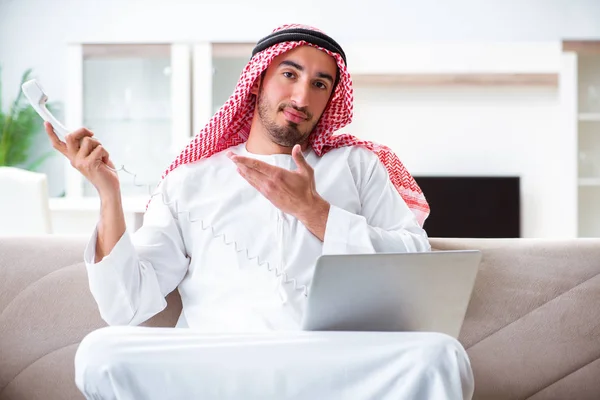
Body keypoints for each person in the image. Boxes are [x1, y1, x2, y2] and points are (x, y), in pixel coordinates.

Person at [46, 24, 474, 399]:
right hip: (220, 359)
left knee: (441, 356)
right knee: (100, 352)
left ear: (331, 99)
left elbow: (413, 259)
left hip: (330, 360)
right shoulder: (190, 180)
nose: (302, 95)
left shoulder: (357, 166)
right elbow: (125, 305)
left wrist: (317, 214)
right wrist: (108, 194)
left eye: (321, 84)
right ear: (257, 81)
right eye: (289, 74)